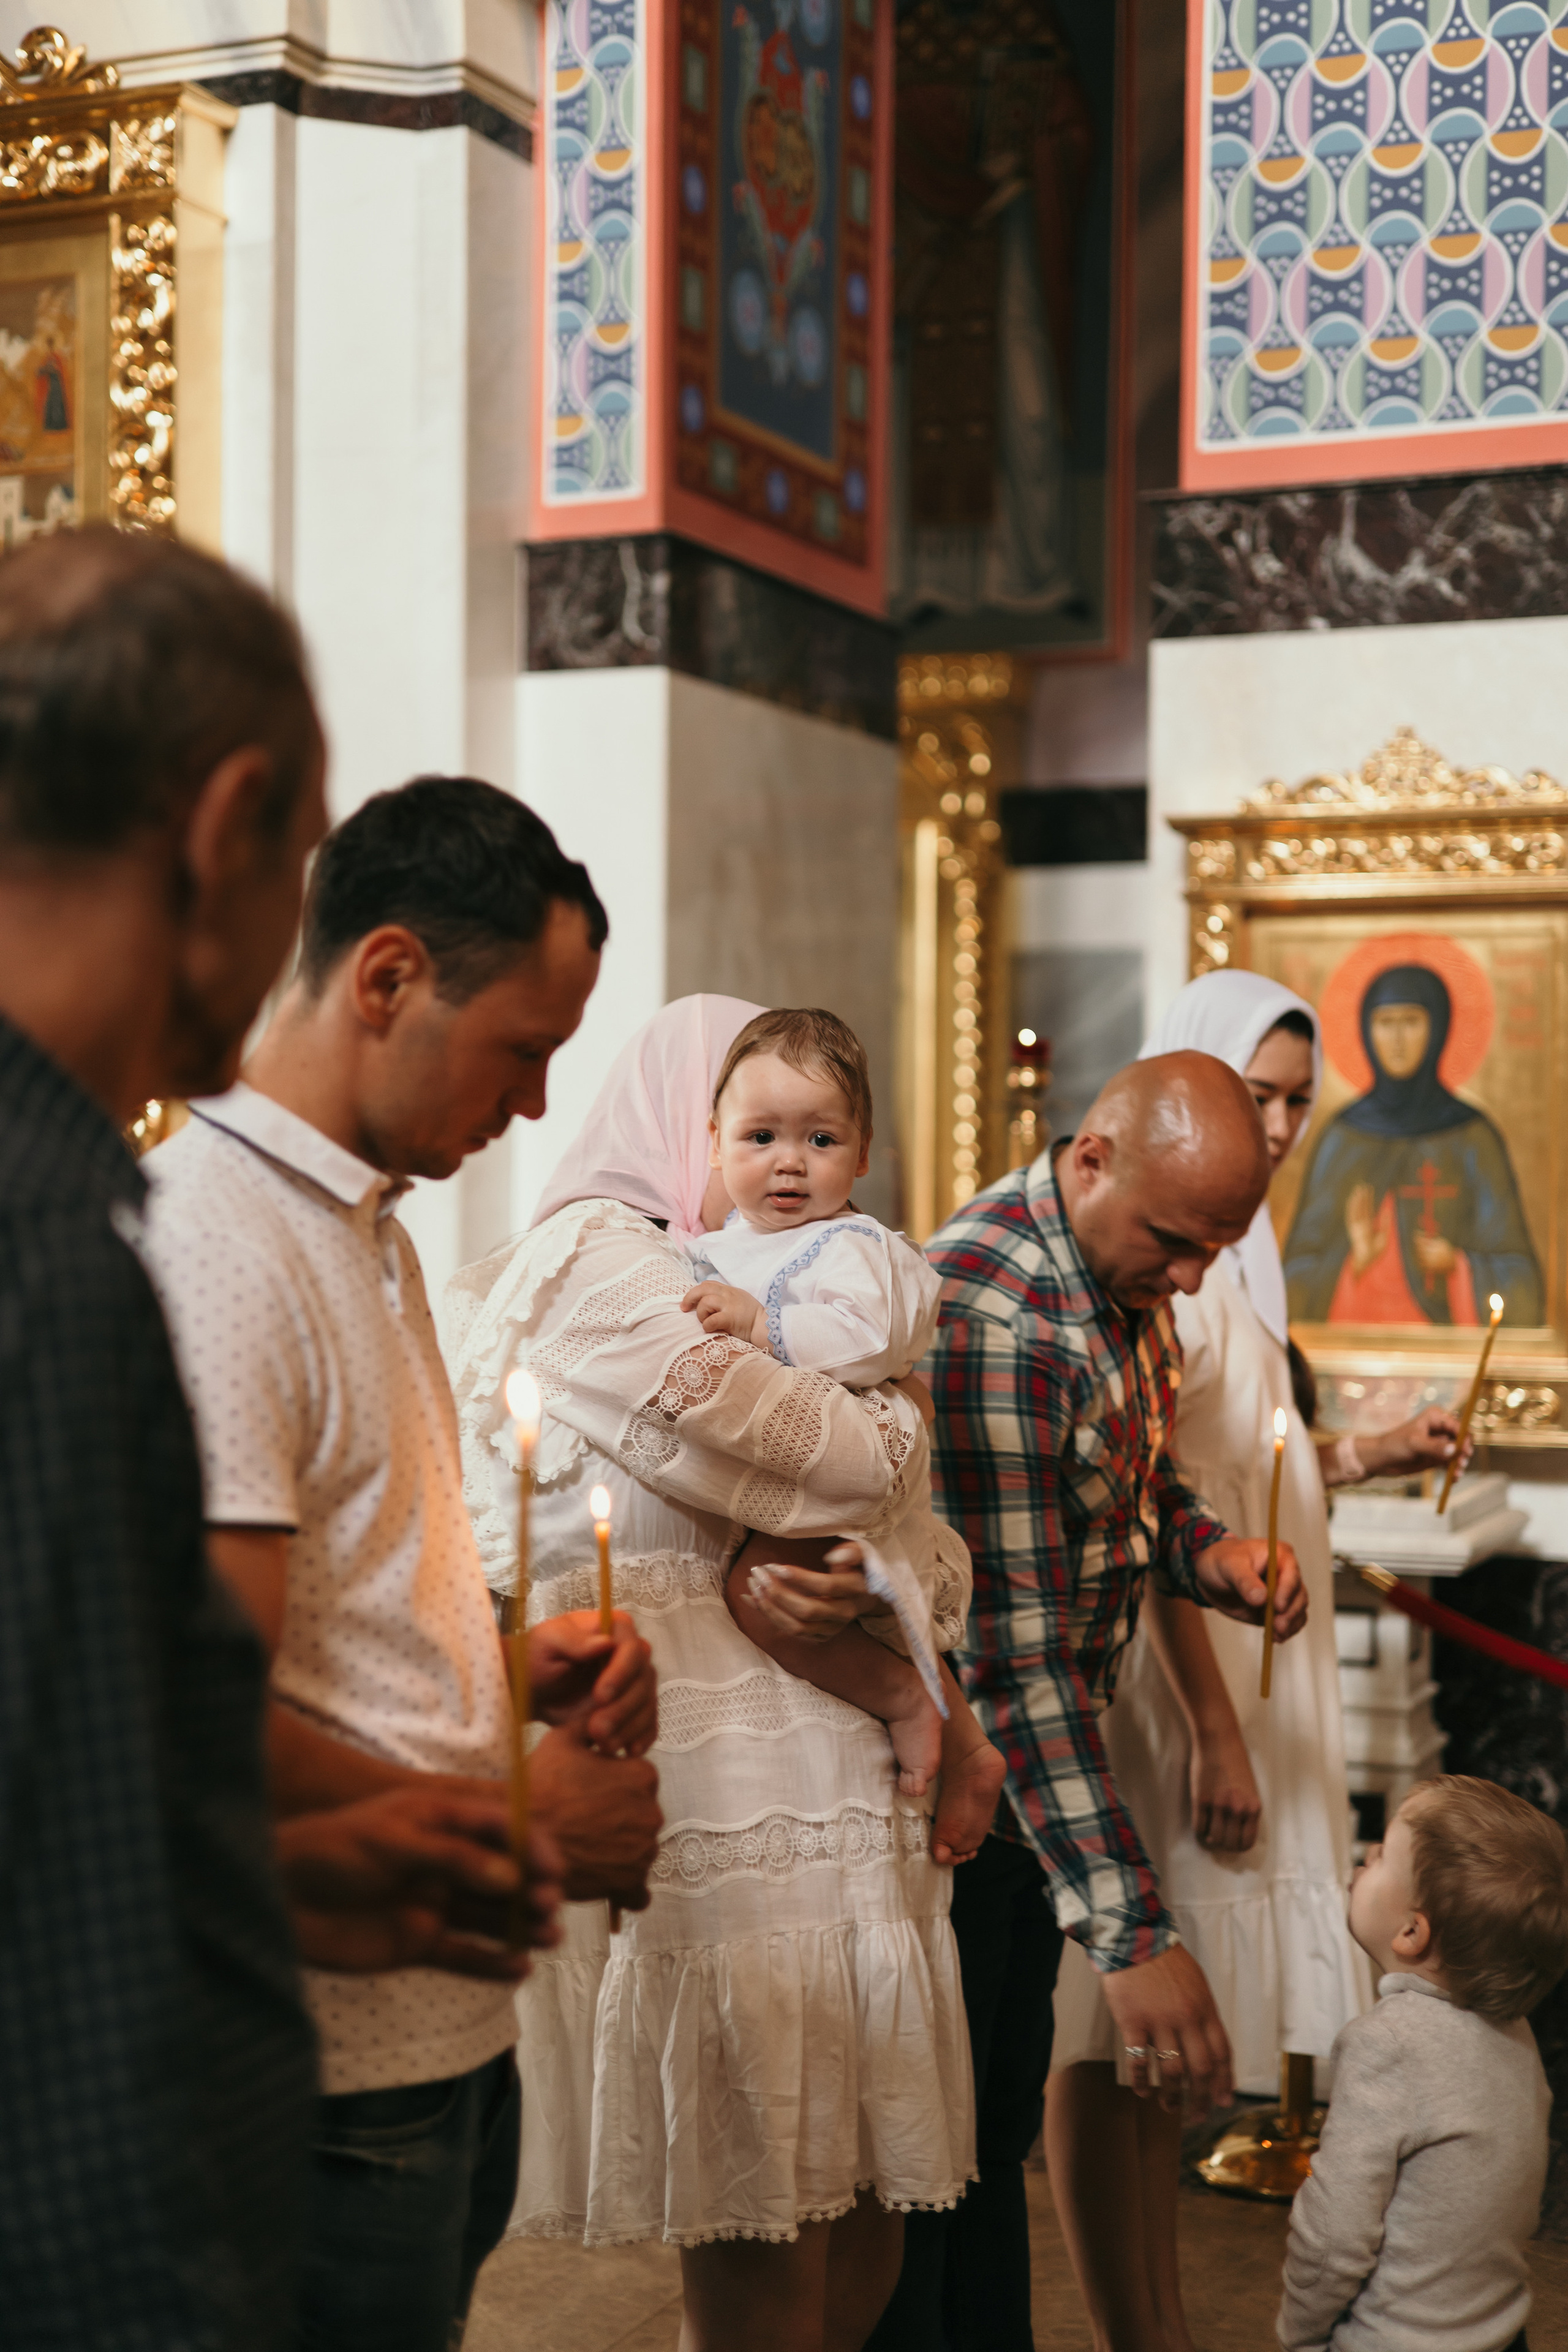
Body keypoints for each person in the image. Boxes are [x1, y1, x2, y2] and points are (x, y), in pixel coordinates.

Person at [0, 527, 557, 2352]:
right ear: (234, 818)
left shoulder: (97, 1207)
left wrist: (299, 1861)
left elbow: (82, 1756)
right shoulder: (81, 1241)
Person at [137, 776, 663, 2352]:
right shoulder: (212, 1245)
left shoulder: (361, 1225)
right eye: (523, 1048)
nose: (530, 1104)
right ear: (386, 978)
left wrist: (504, 1671)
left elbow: (321, 1629)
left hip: (436, 2027)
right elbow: (191, 1709)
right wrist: (519, 1810)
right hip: (318, 2056)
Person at [445, 995, 997, 2352]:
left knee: (861, 2187)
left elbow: (899, 1514)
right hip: (725, 1797)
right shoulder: (594, 1258)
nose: (781, 1160)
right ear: (691, 1116)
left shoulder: (815, 1264)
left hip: (838, 1795)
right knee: (757, 2206)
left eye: (816, 1133)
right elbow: (838, 1453)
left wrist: (886, 1427)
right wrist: (892, 1418)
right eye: (749, 1125)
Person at [1047, 970, 1471, 2352]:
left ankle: (1159, 2319)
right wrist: (1215, 1733)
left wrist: (1370, 1451)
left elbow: (1251, 1468)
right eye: (1264, 1090)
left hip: (1247, 1648)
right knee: (1111, 2027)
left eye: (1300, 1099)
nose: (1284, 1122)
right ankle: (1136, 2328)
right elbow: (1144, 1500)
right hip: (1182, 1689)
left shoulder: (1231, 1245)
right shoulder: (1160, 1246)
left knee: (1167, 2053)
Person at [867, 1050, 1309, 2352]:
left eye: (1211, 1253)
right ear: (1092, 1157)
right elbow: (1014, 1663)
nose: (1185, 1281)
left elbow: (1122, 1480)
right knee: (933, 2159)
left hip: (1018, 1796)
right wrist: (1130, 1932)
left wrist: (1206, 1552)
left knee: (986, 2133)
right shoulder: (998, 1315)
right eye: (1175, 1244)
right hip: (952, 1791)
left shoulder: (1113, 1263)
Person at [685, 1003, 1002, 1845]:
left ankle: (905, 1700)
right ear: (714, 1141)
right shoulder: (724, 1243)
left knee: (758, 1603)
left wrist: (759, 1326)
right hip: (790, 1473)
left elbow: (867, 1346)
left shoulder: (853, 1248)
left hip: (845, 1486)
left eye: (820, 1141)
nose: (789, 1163)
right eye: (761, 1138)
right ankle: (961, 1738)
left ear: (862, 1154)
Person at [1280, 1774, 1568, 2352]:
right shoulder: (1516, 2036)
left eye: (1384, 1853)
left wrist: (1300, 2332)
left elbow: (1335, 2233)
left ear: (1412, 1931)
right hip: (1501, 2332)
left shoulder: (1387, 2045)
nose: (1368, 1854)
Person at [1284, 961, 1543, 1327]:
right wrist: (1352, 1260)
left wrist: (1457, 1264)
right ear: (1366, 1030)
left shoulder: (1473, 1136)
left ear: (1437, 1028)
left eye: (1411, 1022)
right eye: (1385, 1023)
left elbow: (1521, 1278)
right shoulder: (1342, 1137)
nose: (1398, 1040)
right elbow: (1293, 1280)